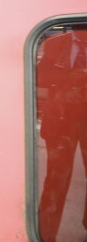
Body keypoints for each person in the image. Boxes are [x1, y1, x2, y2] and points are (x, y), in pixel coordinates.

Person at [37, 28, 87, 242]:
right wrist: (67, 76)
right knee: (56, 181)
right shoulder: (55, 44)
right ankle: (45, 235)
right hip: (61, 121)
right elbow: (41, 79)